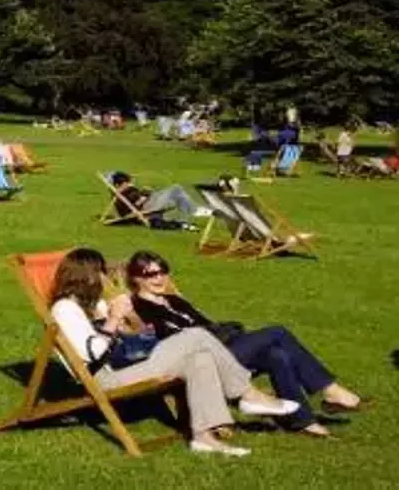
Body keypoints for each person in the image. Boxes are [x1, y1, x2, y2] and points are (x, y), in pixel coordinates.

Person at [51, 248, 299, 457]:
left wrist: (129, 320)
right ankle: (248, 394)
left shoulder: (96, 304)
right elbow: (92, 356)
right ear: (86, 277)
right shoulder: (65, 309)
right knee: (196, 336)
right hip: (106, 377)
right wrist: (113, 320)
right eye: (100, 273)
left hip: (131, 363)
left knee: (199, 358)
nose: (105, 278)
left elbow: (131, 335)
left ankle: (204, 438)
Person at [126, 251, 363, 437]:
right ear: (136, 279)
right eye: (150, 275)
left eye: (162, 272)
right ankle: (330, 390)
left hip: (220, 347)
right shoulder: (139, 308)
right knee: (277, 332)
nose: (159, 278)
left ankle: (303, 421)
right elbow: (165, 342)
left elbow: (208, 325)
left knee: (276, 354)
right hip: (201, 360)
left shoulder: (173, 299)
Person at [109, 171, 210, 230]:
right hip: (147, 207)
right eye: (126, 183)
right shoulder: (122, 194)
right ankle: (195, 211)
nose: (129, 184)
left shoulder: (123, 193)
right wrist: (144, 195)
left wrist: (144, 193)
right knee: (176, 188)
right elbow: (135, 206)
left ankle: (184, 220)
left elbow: (134, 201)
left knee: (179, 196)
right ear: (118, 185)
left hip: (149, 203)